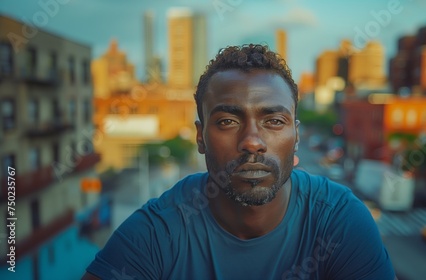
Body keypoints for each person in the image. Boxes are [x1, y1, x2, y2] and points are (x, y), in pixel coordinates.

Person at [83, 44, 396, 279]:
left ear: (296, 135)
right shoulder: (156, 233)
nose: (252, 141)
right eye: (227, 122)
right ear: (200, 137)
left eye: (273, 120)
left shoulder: (339, 221)